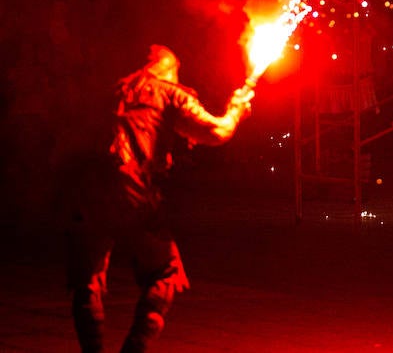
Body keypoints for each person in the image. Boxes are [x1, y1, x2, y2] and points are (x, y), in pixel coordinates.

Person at [66, 45, 253, 352]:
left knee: (87, 279)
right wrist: (236, 110)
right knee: (165, 272)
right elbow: (216, 132)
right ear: (168, 69)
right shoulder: (168, 92)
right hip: (133, 189)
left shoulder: (110, 91)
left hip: (88, 190)